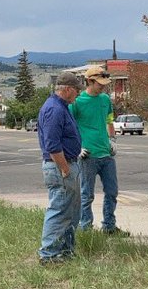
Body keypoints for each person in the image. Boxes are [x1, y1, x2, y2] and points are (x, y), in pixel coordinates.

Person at [69, 64, 128, 235]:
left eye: (104, 83)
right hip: (88, 155)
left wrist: (112, 139)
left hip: (106, 153)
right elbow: (69, 126)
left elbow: (109, 120)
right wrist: (76, 147)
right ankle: (85, 227)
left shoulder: (104, 100)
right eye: (99, 83)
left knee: (112, 192)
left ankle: (109, 226)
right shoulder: (77, 103)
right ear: (89, 81)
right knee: (87, 194)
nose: (103, 86)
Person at [37, 71, 83, 264]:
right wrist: (65, 168)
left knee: (71, 212)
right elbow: (53, 145)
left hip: (67, 164)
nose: (78, 95)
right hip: (59, 167)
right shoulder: (55, 109)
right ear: (67, 90)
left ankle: (64, 251)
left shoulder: (61, 107)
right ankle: (49, 254)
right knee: (59, 210)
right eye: (76, 91)